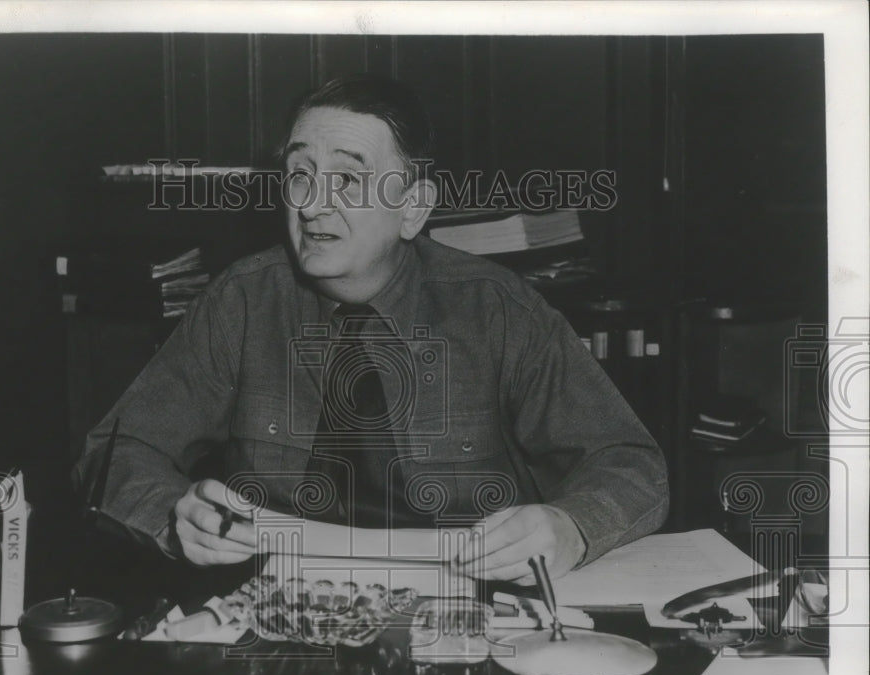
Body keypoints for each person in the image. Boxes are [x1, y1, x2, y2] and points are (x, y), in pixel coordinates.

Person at [74, 74, 668, 584]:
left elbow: (630, 463)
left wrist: (570, 527)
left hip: (460, 617)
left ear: (414, 207)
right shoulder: (243, 302)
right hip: (283, 612)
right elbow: (115, 453)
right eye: (300, 174)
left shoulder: (496, 309)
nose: (311, 206)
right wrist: (174, 517)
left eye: (349, 180)